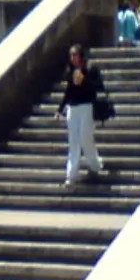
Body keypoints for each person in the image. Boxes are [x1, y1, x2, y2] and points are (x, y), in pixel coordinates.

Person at [57, 44, 105, 187]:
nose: (73, 58)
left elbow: (98, 86)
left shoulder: (90, 68)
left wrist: (85, 78)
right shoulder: (70, 71)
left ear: (81, 56)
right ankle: (71, 174)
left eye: (75, 55)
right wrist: (60, 109)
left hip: (86, 106)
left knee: (85, 138)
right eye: (71, 56)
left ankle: (95, 164)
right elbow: (68, 91)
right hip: (73, 108)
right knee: (74, 141)